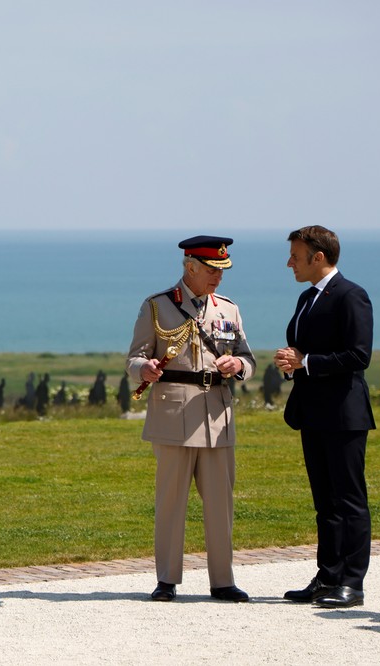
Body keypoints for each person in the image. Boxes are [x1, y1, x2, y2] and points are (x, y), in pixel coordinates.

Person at [126, 235, 255, 603]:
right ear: (191, 267)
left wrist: (238, 365)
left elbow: (248, 359)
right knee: (171, 502)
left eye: (222, 270)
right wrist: (144, 369)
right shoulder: (158, 306)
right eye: (212, 270)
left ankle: (223, 581)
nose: (219, 277)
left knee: (221, 504)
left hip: (217, 418)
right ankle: (166, 580)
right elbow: (134, 358)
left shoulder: (228, 309)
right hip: (174, 416)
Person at [274, 225, 374, 609]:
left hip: (344, 415)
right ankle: (327, 577)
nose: (290, 263)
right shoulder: (306, 297)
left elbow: (359, 355)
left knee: (349, 500)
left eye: (295, 256)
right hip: (312, 412)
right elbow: (304, 351)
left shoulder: (351, 295)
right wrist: (292, 363)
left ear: (318, 257)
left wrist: (307, 362)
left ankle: (352, 582)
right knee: (325, 503)